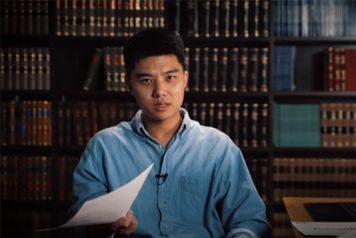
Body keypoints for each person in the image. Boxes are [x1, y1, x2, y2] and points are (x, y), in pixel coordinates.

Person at [69, 28, 270, 237]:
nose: (160, 92)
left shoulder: (219, 148)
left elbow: (249, 219)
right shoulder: (104, 147)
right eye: (146, 80)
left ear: (185, 79)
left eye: (170, 78)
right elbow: (81, 222)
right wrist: (105, 224)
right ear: (129, 84)